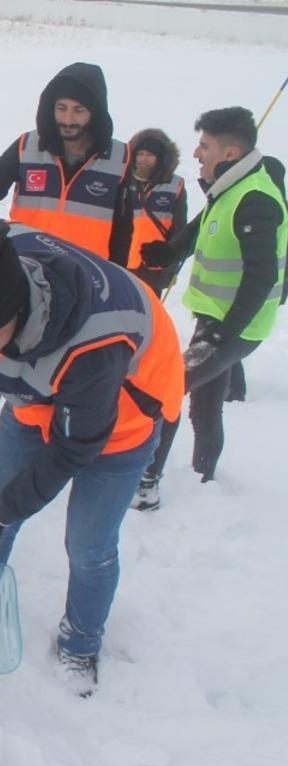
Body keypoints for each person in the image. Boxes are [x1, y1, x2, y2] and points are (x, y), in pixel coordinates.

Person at [0, 220, 183, 695]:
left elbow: (74, 448)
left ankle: (81, 642)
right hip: (40, 392)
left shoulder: (95, 345)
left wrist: (3, 512)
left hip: (122, 417)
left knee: (89, 544)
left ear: (15, 306)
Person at [0, 62, 131, 439]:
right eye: (62, 108)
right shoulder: (26, 146)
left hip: (84, 284)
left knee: (62, 361)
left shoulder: (121, 159)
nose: (68, 119)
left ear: (96, 112)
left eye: (79, 110)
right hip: (22, 277)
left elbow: (124, 233)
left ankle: (47, 425)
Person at [131, 107, 286, 511]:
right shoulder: (233, 186)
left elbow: (261, 275)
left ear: (231, 152)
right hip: (216, 319)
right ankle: (203, 479)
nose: (197, 153)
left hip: (234, 327)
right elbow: (202, 224)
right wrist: (168, 251)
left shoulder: (255, 200)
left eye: (205, 146)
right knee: (204, 402)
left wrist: (226, 333)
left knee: (167, 389)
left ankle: (146, 484)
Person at [123, 127, 187, 291]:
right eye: (140, 153)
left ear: (160, 159)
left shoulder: (175, 186)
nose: (143, 159)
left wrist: (169, 270)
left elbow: (179, 232)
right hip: (123, 263)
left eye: (150, 155)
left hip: (154, 269)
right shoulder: (121, 180)